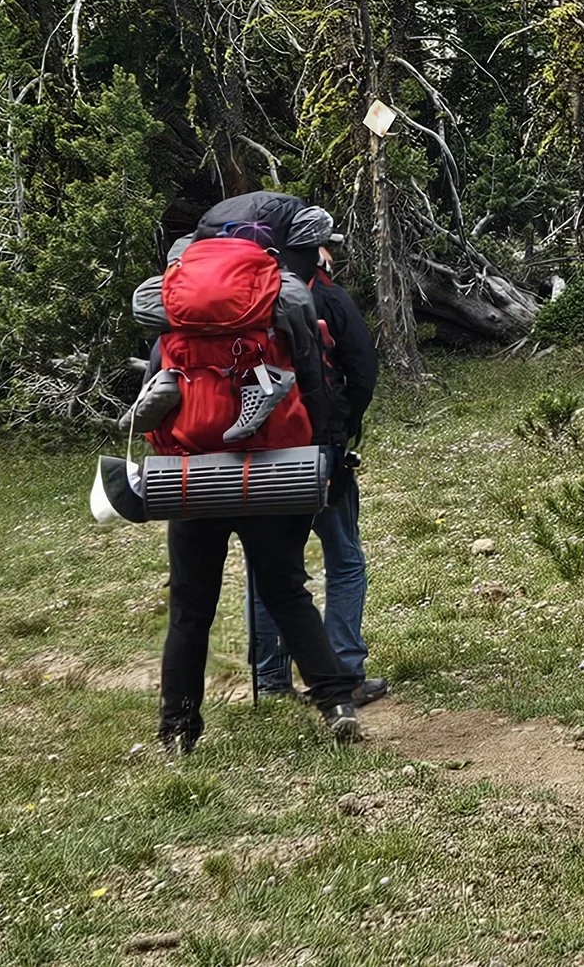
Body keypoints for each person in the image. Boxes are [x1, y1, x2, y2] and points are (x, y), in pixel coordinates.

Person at [146, 189, 360, 752]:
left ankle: (178, 728)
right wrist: (330, 452)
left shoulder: (174, 300)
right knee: (286, 589)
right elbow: (316, 384)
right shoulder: (284, 296)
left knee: (191, 605)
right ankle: (336, 701)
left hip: (194, 469)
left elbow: (156, 377)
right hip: (273, 468)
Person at [248, 206, 385, 706]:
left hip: (263, 450)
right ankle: (345, 669)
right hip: (323, 450)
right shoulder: (330, 297)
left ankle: (269, 677)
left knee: (274, 567)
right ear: (319, 249)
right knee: (344, 558)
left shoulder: (252, 301)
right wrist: (346, 423)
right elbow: (363, 370)